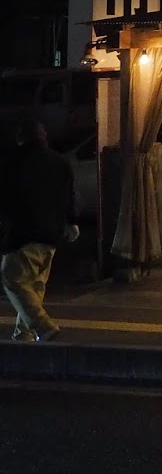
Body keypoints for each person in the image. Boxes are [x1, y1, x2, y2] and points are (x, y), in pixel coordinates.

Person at [0, 118, 76, 343]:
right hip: (52, 233)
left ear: (21, 138)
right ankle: (24, 334)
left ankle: (44, 327)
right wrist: (72, 222)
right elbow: (70, 195)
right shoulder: (61, 162)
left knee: (12, 279)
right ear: (44, 136)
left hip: (24, 233)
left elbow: (6, 198)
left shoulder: (14, 163)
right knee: (35, 285)